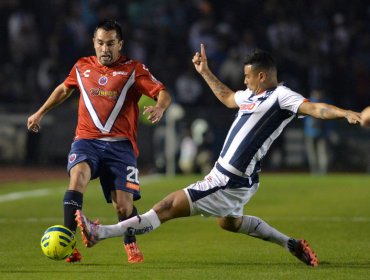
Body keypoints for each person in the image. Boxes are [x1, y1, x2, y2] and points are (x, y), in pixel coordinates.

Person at [74, 44, 361, 267]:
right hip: (234, 178)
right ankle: (291, 244)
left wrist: (346, 113)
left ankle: (100, 234)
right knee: (229, 222)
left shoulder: (282, 96)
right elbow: (226, 97)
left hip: (229, 179)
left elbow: (315, 108)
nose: (244, 82)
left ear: (262, 76)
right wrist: (205, 72)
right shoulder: (250, 96)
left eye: (248, 77)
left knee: (164, 208)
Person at [27, 20, 171, 264]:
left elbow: (163, 92)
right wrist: (40, 112)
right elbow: (64, 89)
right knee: (78, 177)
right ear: (94, 43)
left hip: (120, 146)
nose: (105, 49)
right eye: (101, 43)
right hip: (87, 141)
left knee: (123, 207)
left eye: (111, 44)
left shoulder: (133, 69)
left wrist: (159, 108)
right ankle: (69, 243)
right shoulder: (82, 66)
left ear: (120, 44)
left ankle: (130, 243)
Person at [303, 89, 333, 175]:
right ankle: (318, 171)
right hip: (314, 132)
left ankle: (319, 171)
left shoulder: (307, 103)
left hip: (314, 132)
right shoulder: (324, 103)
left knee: (319, 153)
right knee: (318, 153)